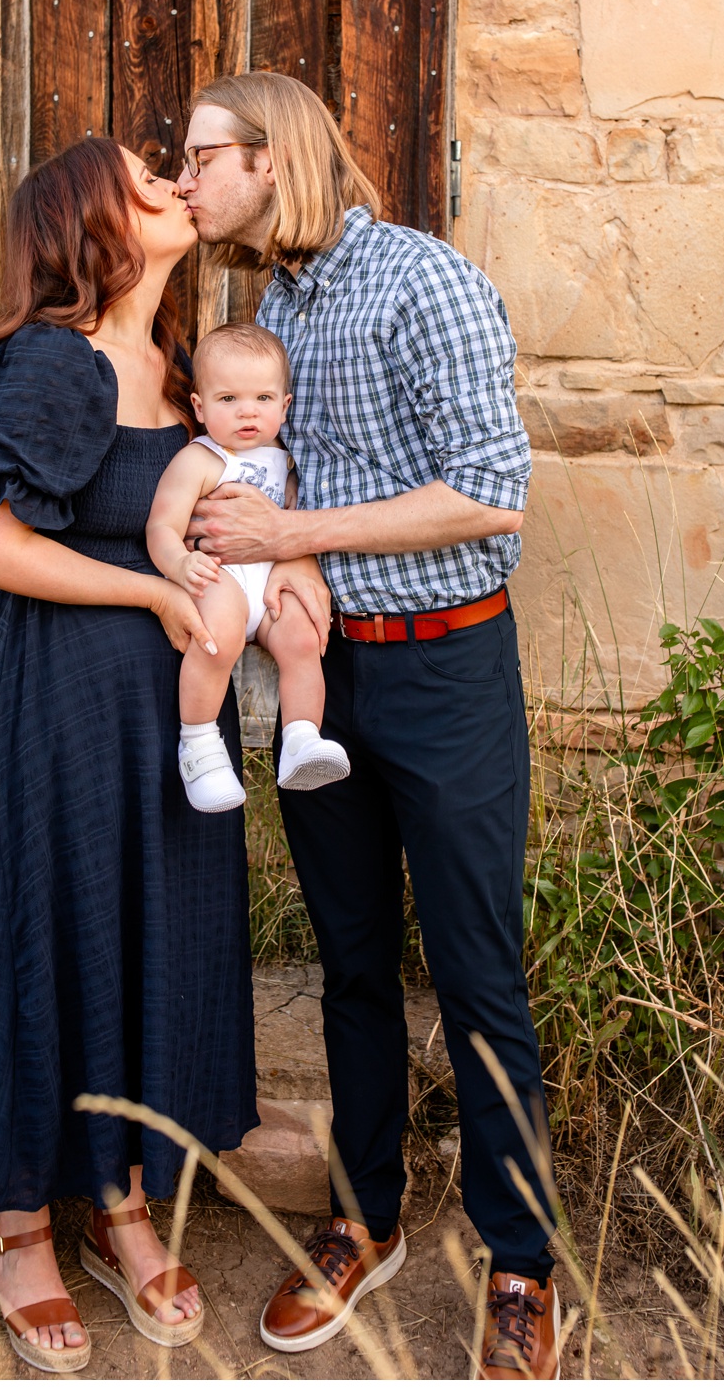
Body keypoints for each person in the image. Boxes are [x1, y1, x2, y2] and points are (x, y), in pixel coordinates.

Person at [174, 72, 557, 1377]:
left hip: (448, 671)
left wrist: (294, 534)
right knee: (349, 963)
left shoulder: (425, 281)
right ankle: (367, 1217)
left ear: (269, 159)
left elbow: (492, 497)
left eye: (201, 158)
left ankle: (521, 1263)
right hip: (321, 677)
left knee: (476, 974)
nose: (188, 182)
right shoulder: (271, 308)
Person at [0, 137, 302, 1367]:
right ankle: (20, 1219)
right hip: (57, 701)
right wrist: (150, 598)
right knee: (50, 932)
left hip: (172, 714)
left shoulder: (180, 367)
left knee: (148, 934)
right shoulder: (55, 359)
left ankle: (121, 1200)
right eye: (147, 181)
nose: (174, 184)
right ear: (92, 221)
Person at [144, 320, 349, 811]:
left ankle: (302, 738)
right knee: (217, 640)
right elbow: (161, 527)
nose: (247, 413)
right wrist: (179, 563)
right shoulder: (201, 459)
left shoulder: (290, 461)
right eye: (228, 400)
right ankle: (199, 746)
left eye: (262, 399)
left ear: (285, 406)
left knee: (303, 639)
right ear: (199, 406)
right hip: (223, 576)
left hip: (273, 581)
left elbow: (298, 520)